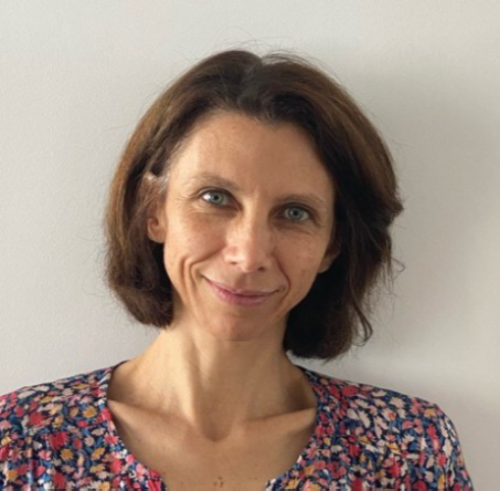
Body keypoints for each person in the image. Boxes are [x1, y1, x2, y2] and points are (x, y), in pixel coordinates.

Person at [0, 49, 473, 490]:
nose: (248, 256)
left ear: (333, 245)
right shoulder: (19, 444)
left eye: (294, 213)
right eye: (215, 198)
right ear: (153, 209)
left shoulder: (407, 452)